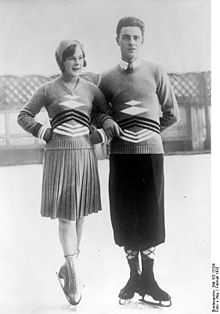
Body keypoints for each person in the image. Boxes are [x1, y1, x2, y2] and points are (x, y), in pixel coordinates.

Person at [17, 40, 109, 306]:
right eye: (71, 58)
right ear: (61, 61)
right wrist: (43, 132)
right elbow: (24, 116)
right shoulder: (47, 89)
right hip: (58, 155)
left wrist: (101, 132)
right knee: (67, 217)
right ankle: (75, 277)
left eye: (81, 57)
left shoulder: (92, 90)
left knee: (79, 214)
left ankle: (70, 269)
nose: (77, 62)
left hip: (84, 155)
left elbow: (104, 115)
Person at [99, 16, 179, 307]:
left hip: (150, 156)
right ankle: (134, 278)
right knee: (125, 216)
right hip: (121, 157)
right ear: (117, 39)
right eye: (125, 37)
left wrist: (149, 133)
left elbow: (171, 113)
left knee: (150, 215)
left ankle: (151, 280)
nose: (131, 42)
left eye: (135, 37)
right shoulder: (106, 78)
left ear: (141, 40)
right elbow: (98, 112)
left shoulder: (156, 71)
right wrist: (107, 120)